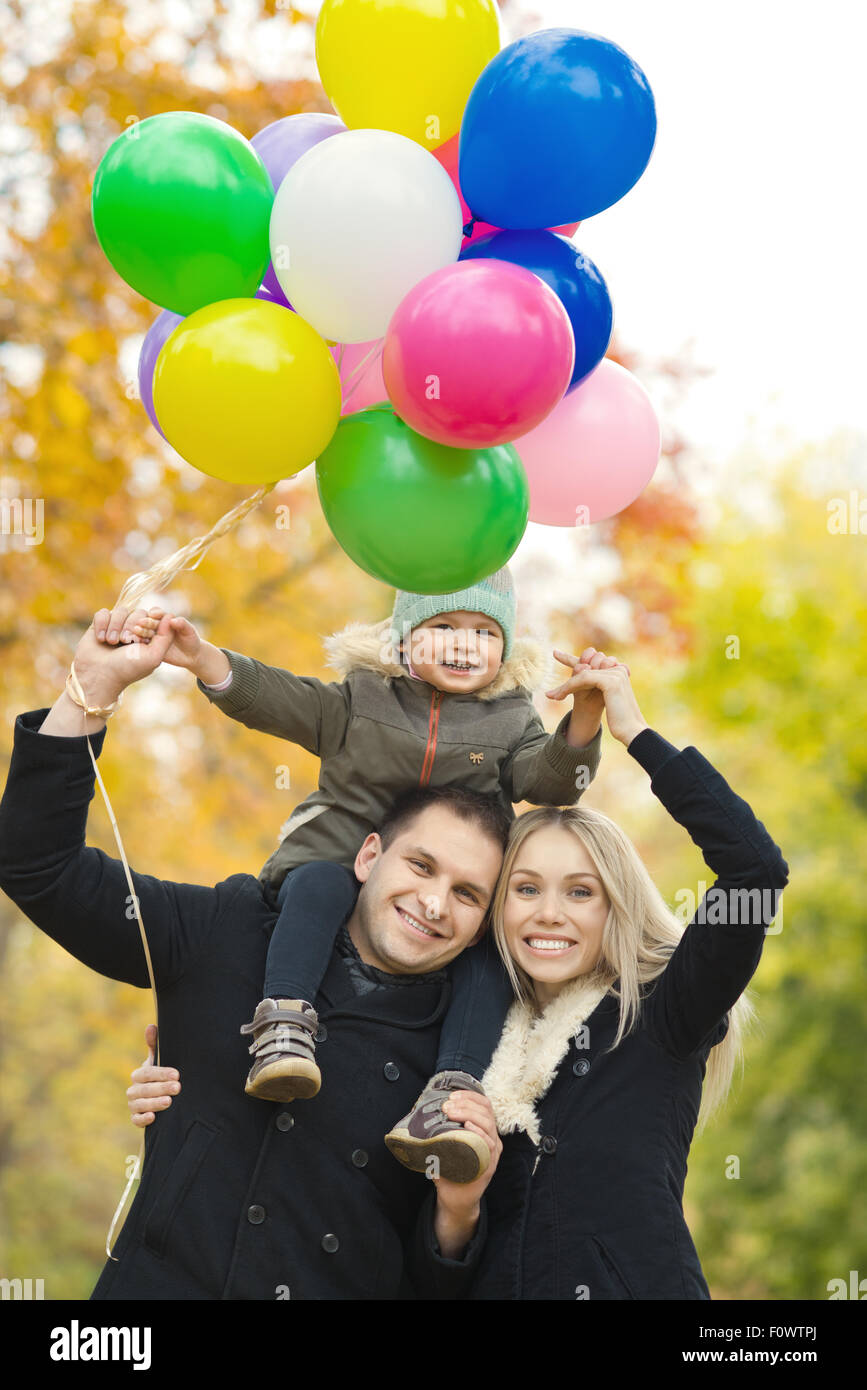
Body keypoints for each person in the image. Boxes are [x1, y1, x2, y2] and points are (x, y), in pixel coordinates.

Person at [128, 661, 789, 1299]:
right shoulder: (467, 1043)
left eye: (580, 892)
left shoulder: (663, 1014)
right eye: (524, 888)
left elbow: (754, 874)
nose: (548, 914)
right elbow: (421, 1268)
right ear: (495, 909)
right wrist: (194, 1069)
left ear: (613, 906)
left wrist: (634, 733)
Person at [0, 614, 505, 1301]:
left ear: (481, 926)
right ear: (368, 855)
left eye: (468, 894)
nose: (435, 902)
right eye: (420, 865)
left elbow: (440, 1284)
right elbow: (41, 869)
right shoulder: (232, 930)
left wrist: (459, 1213)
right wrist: (90, 689)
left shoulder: (476, 1055)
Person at [96, 566, 615, 1183]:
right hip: (331, 862)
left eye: (484, 632)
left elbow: (552, 782)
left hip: (437, 905)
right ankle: (285, 1022)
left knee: (488, 960)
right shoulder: (363, 699)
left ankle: (448, 1096)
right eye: (443, 625)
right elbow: (281, 701)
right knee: (321, 884)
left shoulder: (508, 721)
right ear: (402, 638)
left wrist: (583, 719)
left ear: (505, 646)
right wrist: (203, 658)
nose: (463, 643)